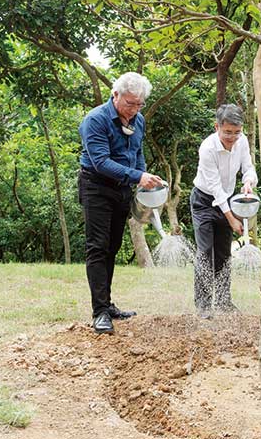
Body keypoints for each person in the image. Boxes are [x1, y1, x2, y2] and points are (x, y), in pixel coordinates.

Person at [78, 72, 164, 334]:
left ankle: (107, 304)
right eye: (130, 103)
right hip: (96, 187)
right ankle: (99, 312)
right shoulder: (96, 120)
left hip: (122, 189)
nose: (134, 110)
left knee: (112, 247)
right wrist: (138, 176)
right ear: (115, 95)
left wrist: (143, 179)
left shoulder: (139, 120)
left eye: (140, 104)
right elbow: (101, 162)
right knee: (98, 247)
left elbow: (137, 153)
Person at [190, 104, 258, 319]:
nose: (232, 137)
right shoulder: (207, 148)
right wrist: (232, 219)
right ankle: (203, 305)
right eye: (228, 132)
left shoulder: (242, 141)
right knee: (205, 252)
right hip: (204, 200)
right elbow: (215, 188)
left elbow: (248, 168)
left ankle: (223, 301)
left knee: (223, 253)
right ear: (217, 127)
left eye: (237, 132)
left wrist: (248, 182)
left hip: (228, 199)